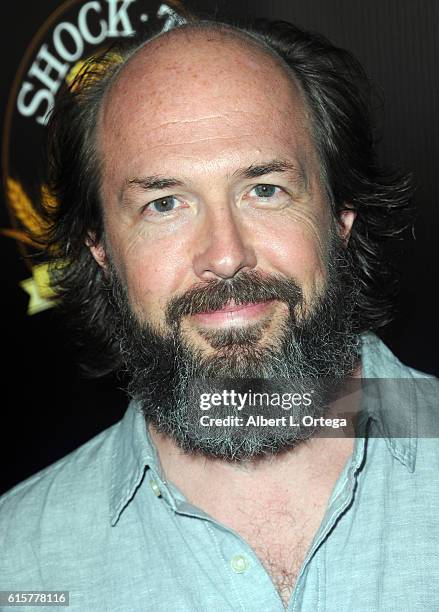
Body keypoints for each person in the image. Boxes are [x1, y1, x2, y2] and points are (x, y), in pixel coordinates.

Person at [1, 15, 438, 612]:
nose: (227, 255)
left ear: (342, 212)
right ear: (99, 247)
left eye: (264, 190)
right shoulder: (16, 560)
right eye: (165, 204)